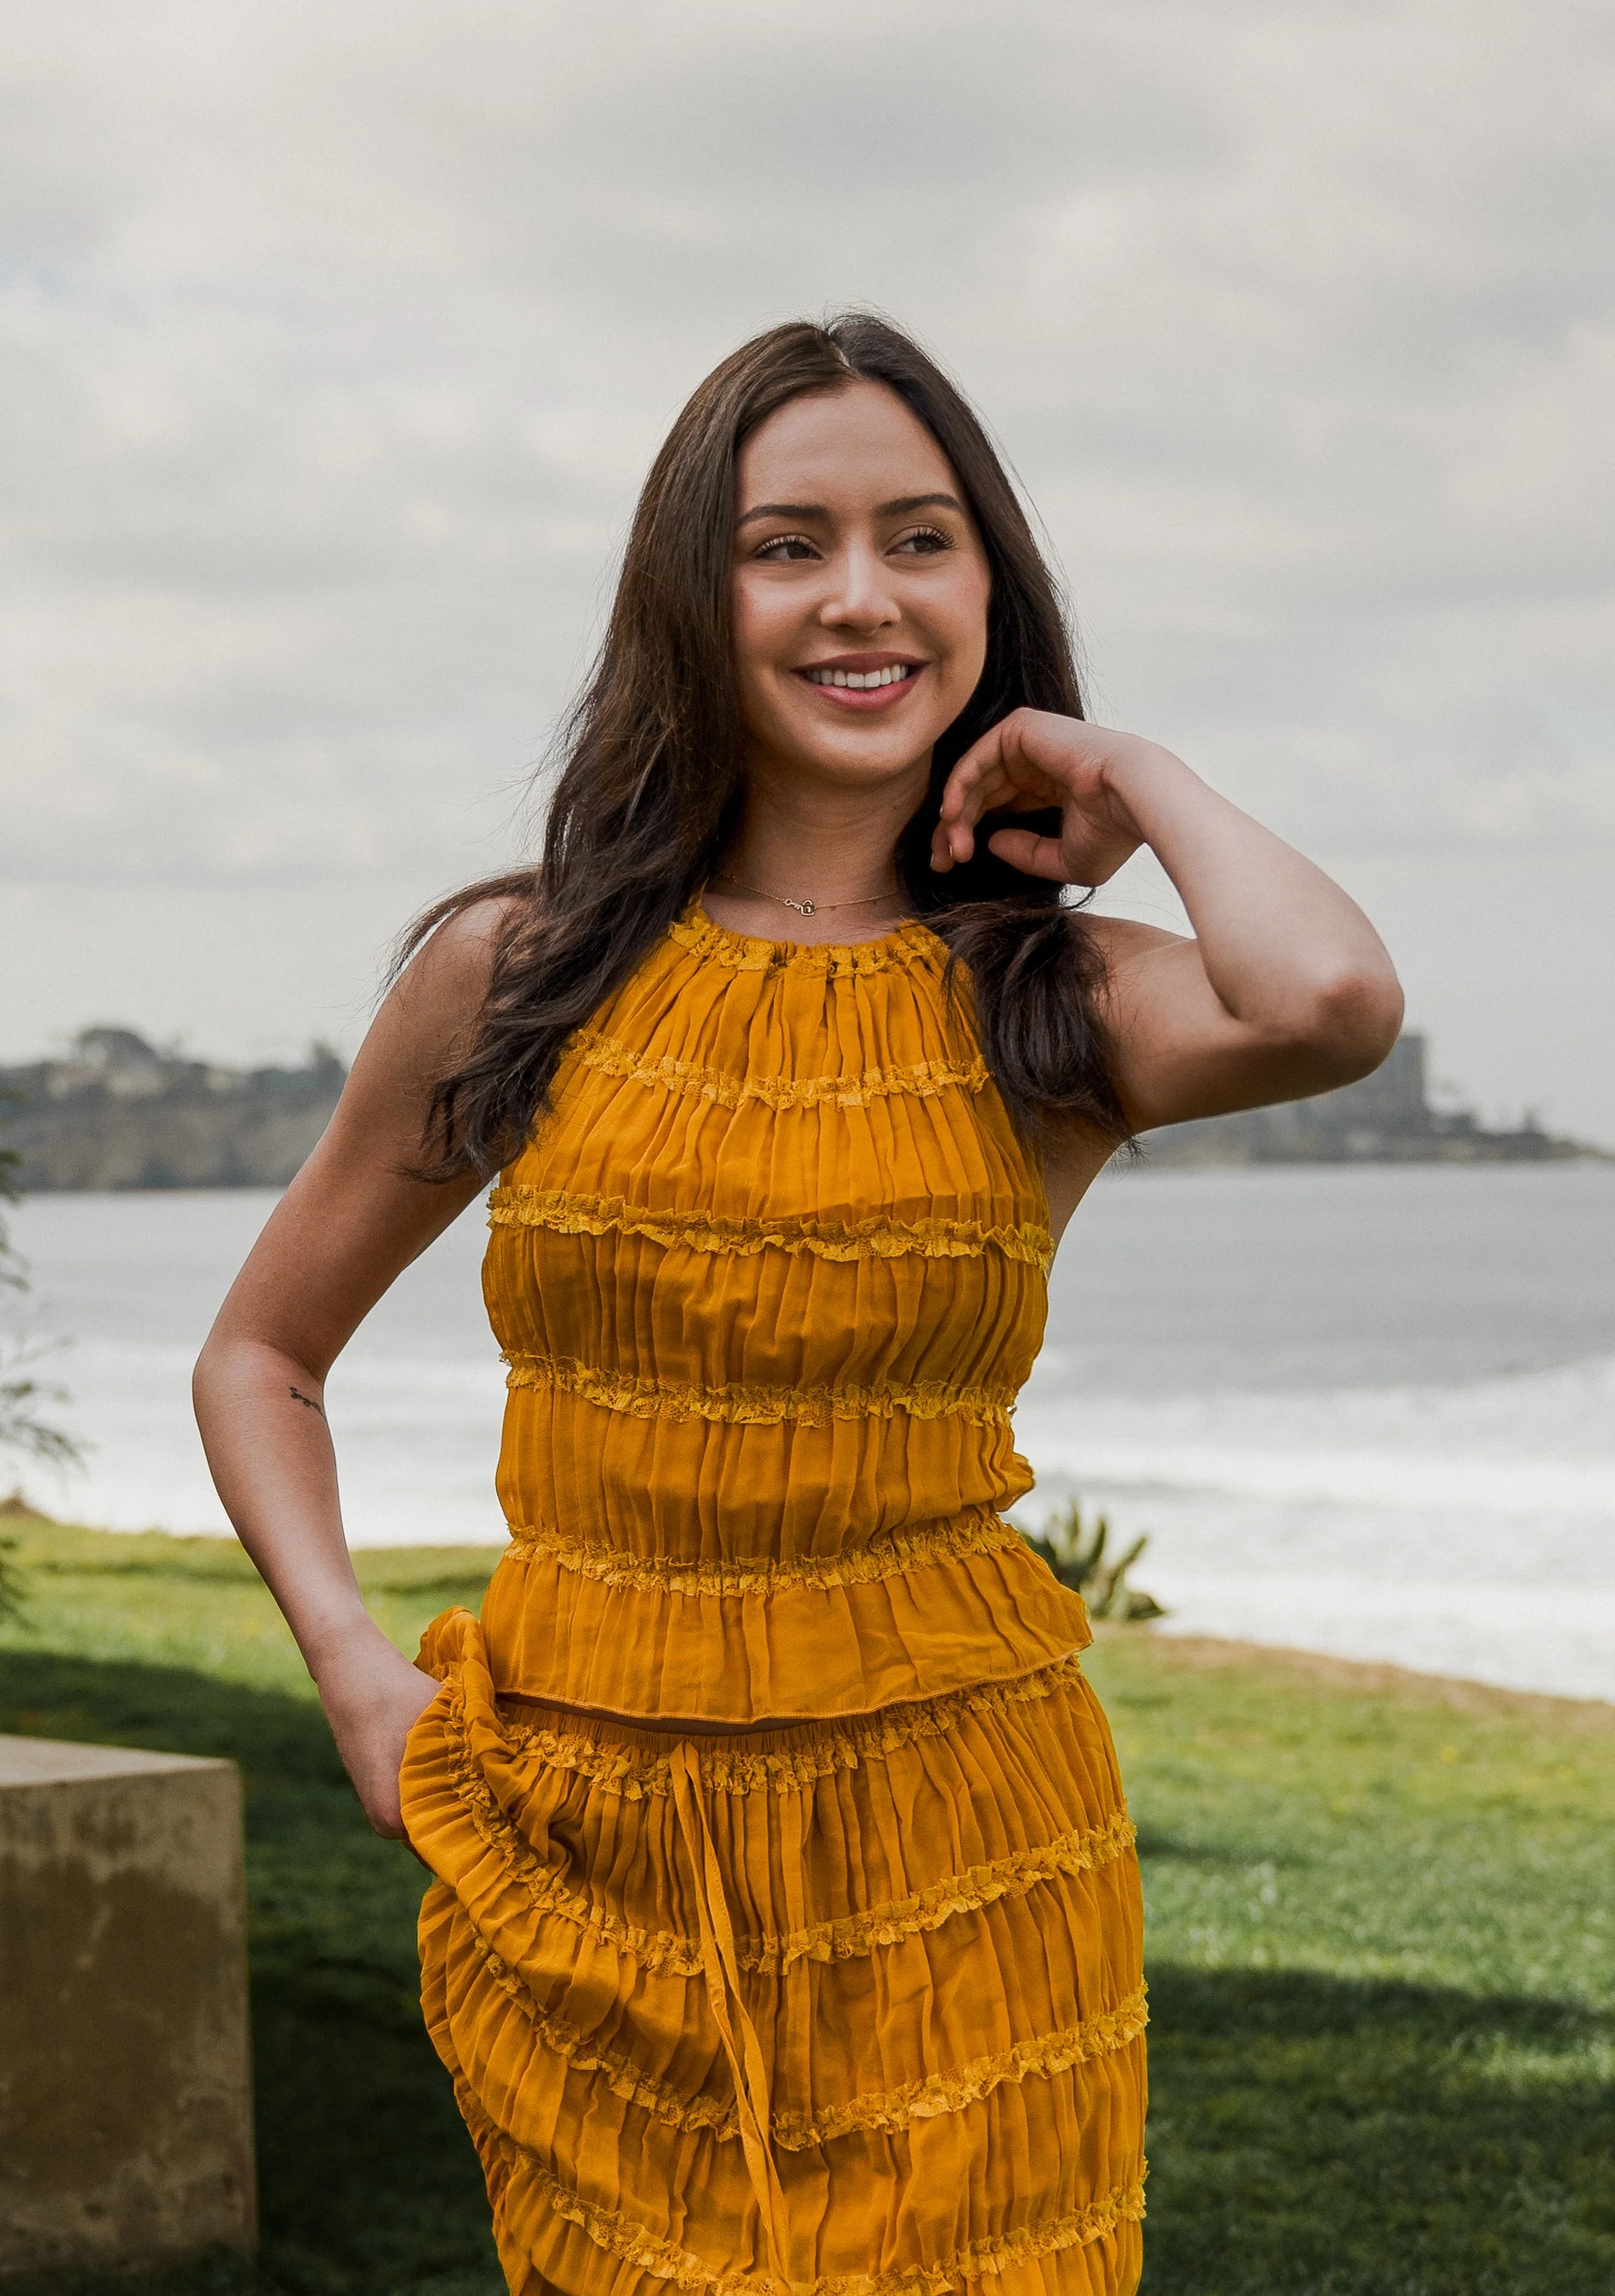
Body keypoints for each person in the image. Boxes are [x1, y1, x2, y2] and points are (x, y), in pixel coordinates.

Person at [193, 314, 1402, 2296]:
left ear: (987, 590)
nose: (862, 597)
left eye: (920, 540)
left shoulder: (1054, 990)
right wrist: (352, 1669)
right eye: (787, 544)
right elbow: (261, 1354)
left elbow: (1330, 1001)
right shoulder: (519, 970)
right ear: (694, 590)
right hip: (587, 1845)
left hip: (962, 1844)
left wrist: (1128, 769)